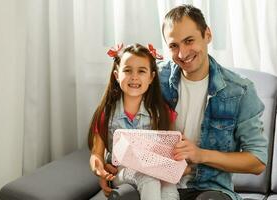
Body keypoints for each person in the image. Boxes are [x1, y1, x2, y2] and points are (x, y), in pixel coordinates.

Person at [97, 4, 268, 200]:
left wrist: (200, 154)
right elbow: (110, 113)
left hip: (206, 187)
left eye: (189, 41)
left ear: (207, 35)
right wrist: (101, 160)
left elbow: (257, 161)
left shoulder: (240, 90)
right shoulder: (154, 77)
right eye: (173, 45)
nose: (182, 53)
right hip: (152, 177)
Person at [88, 43, 180, 200]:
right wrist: (100, 170)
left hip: (156, 167)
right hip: (123, 171)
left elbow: (171, 149)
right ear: (117, 75)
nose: (134, 77)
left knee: (169, 188)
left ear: (151, 77)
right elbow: (96, 154)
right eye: (127, 70)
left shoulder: (161, 112)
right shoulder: (107, 113)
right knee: (148, 177)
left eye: (141, 71)